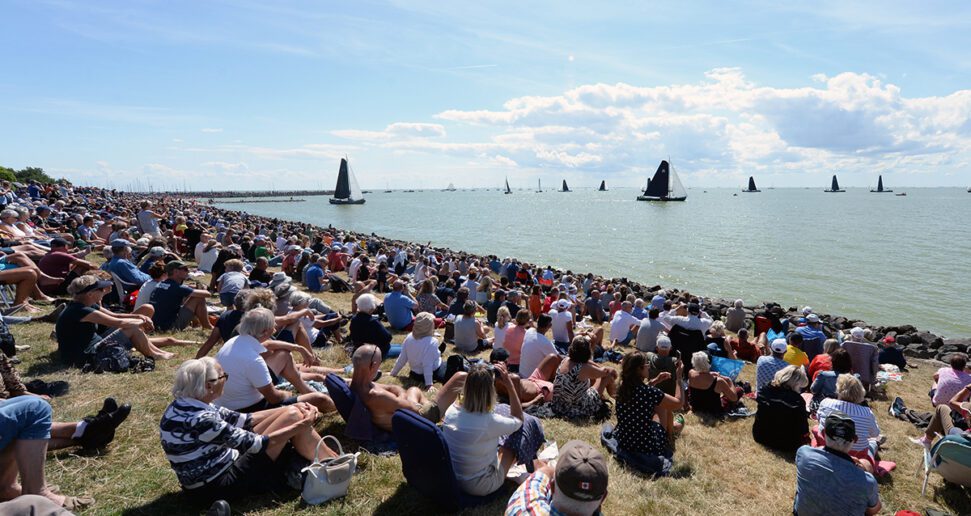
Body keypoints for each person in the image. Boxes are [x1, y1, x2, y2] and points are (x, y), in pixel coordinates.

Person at [160, 357, 336, 504]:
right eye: (224, 377)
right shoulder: (202, 419)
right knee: (294, 418)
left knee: (292, 414)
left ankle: (331, 461)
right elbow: (257, 444)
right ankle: (335, 464)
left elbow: (244, 419)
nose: (226, 381)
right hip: (218, 487)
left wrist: (290, 408)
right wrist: (300, 424)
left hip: (204, 481)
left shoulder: (182, 406)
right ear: (209, 385)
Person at [442, 363, 544, 497]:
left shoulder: (451, 410)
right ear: (490, 390)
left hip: (453, 477)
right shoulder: (488, 421)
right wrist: (510, 386)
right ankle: (531, 466)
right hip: (480, 485)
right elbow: (519, 420)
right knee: (514, 440)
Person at [214, 308, 335, 414]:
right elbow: (274, 398)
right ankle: (337, 408)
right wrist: (287, 394)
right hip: (248, 410)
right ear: (266, 331)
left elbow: (267, 344)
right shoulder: (254, 360)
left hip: (225, 403)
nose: (275, 327)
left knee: (284, 355)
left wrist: (298, 348)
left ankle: (305, 390)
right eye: (273, 324)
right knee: (319, 399)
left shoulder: (235, 341)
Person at [56, 275, 180, 366]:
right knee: (131, 328)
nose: (104, 291)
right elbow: (118, 323)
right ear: (90, 294)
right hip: (84, 357)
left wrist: (139, 317)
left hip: (89, 350)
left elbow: (115, 316)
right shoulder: (81, 310)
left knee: (132, 326)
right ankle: (154, 355)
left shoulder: (85, 304)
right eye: (101, 289)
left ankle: (157, 352)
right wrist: (143, 322)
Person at [349, 344, 466, 432]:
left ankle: (443, 415)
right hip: (419, 419)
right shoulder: (377, 395)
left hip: (405, 412)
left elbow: (392, 387)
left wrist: (401, 397)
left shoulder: (356, 384)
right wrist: (402, 397)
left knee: (414, 390)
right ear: (374, 365)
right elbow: (415, 410)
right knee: (461, 377)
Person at [793, 412, 881, 515]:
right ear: (855, 439)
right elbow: (873, 510)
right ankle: (874, 443)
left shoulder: (804, 454)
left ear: (823, 433)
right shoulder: (867, 481)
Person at [505, 440, 609, 516]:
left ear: (552, 486)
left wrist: (555, 471)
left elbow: (542, 474)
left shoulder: (521, 509)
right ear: (603, 498)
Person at [614, 351, 684, 460]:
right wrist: (679, 378)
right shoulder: (649, 392)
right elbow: (678, 403)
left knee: (659, 402)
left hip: (625, 440)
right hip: (646, 446)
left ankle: (672, 429)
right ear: (638, 369)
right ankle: (670, 436)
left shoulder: (622, 385)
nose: (649, 367)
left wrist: (655, 381)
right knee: (664, 405)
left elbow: (639, 394)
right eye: (647, 364)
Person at [816, 375, 881, 463]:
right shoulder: (866, 412)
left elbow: (819, 419)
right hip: (856, 455)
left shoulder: (826, 403)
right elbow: (875, 433)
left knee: (816, 428)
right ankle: (875, 445)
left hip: (828, 445)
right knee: (872, 442)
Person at [550, 336, 616, 420]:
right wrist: (612, 370)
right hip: (576, 409)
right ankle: (619, 399)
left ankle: (609, 398)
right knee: (607, 377)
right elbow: (605, 372)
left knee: (596, 377)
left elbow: (589, 363)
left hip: (560, 406)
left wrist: (598, 366)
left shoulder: (565, 360)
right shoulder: (583, 368)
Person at [752, 366, 810, 453]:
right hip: (786, 444)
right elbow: (803, 428)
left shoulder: (765, 389)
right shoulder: (797, 401)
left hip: (760, 435)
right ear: (796, 384)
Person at [390, 312, 446, 388]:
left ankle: (437, 352)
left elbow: (402, 358)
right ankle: (437, 352)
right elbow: (427, 365)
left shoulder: (409, 337)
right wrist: (429, 384)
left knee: (433, 355)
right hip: (432, 372)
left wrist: (393, 373)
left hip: (415, 374)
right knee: (450, 365)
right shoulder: (432, 342)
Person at [686, 351, 740, 415]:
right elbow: (734, 398)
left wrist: (710, 373)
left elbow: (700, 374)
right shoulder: (718, 381)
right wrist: (729, 380)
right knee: (739, 390)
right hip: (713, 411)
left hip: (697, 408)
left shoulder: (691, 373)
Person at [349, 294, 397, 359]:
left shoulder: (354, 319)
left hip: (360, 349)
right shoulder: (373, 321)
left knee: (401, 346)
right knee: (404, 349)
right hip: (376, 352)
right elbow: (388, 338)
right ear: (372, 307)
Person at [809, 347, 852, 415]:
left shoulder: (823, 375)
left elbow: (813, 390)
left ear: (833, 361)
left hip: (823, 407)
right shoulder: (854, 378)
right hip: (845, 409)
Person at [841, 327, 879, 392]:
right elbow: (874, 365)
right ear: (862, 337)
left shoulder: (845, 344)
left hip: (847, 376)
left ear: (852, 335)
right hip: (865, 378)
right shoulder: (872, 348)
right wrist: (874, 376)